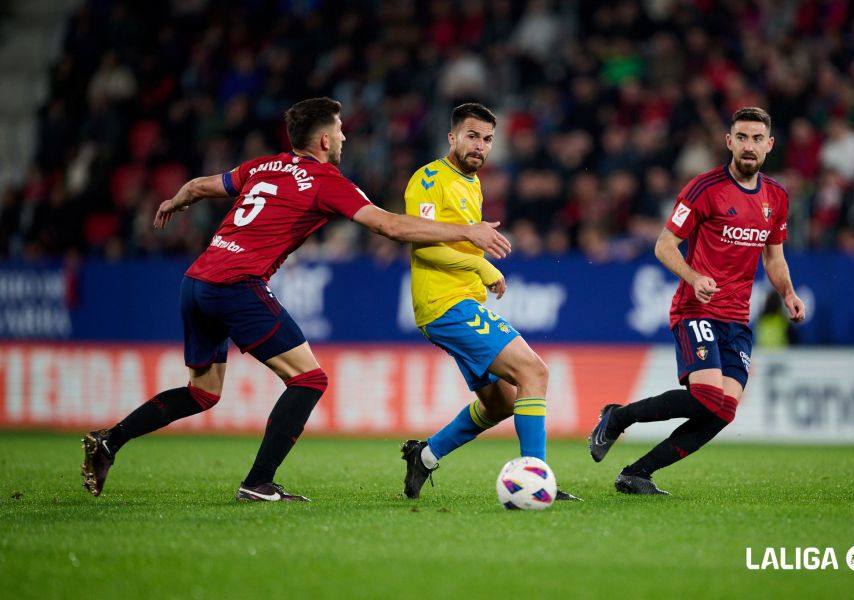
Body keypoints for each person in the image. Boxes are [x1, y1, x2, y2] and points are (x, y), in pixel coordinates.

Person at [81, 97, 512, 502]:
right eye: (339, 131)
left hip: (196, 282)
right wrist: (467, 232)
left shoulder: (262, 165)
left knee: (203, 393)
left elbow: (197, 186)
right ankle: (258, 483)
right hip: (237, 284)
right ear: (324, 140)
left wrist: (174, 201)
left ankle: (110, 440)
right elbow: (392, 227)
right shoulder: (326, 181)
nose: (343, 137)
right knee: (309, 380)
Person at [589, 107, 806, 495]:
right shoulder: (704, 189)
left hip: (737, 319)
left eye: (757, 139)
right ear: (729, 142)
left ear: (770, 145)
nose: (749, 146)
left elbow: (774, 257)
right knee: (706, 398)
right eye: (742, 137)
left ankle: (637, 474)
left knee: (723, 411)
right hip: (696, 309)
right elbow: (664, 245)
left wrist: (788, 293)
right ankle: (618, 418)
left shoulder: (776, 196)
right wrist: (693, 276)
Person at [399, 103, 578, 502]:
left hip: (462, 302)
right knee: (534, 372)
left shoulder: (473, 183)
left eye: (487, 139)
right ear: (452, 137)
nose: (480, 145)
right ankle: (536, 478)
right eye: (472, 136)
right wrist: (480, 265)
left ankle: (424, 456)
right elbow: (422, 242)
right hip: (444, 303)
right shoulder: (429, 179)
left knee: (500, 404)